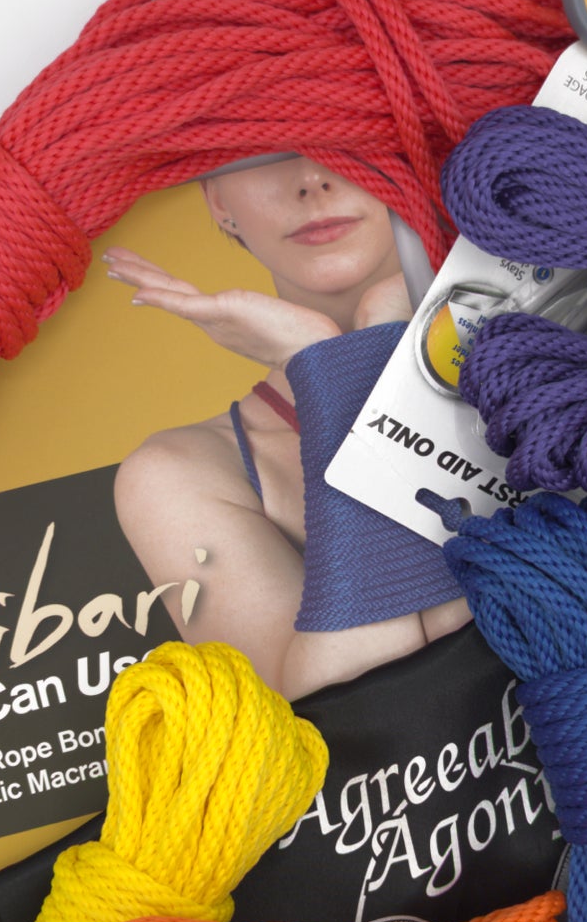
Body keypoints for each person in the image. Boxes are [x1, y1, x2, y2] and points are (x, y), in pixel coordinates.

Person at [106, 155, 468, 699]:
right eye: (264, 153)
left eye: (343, 138)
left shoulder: (554, 357)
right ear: (219, 201)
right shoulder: (176, 473)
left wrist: (378, 348)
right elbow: (359, 714)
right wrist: (335, 373)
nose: (312, 180)